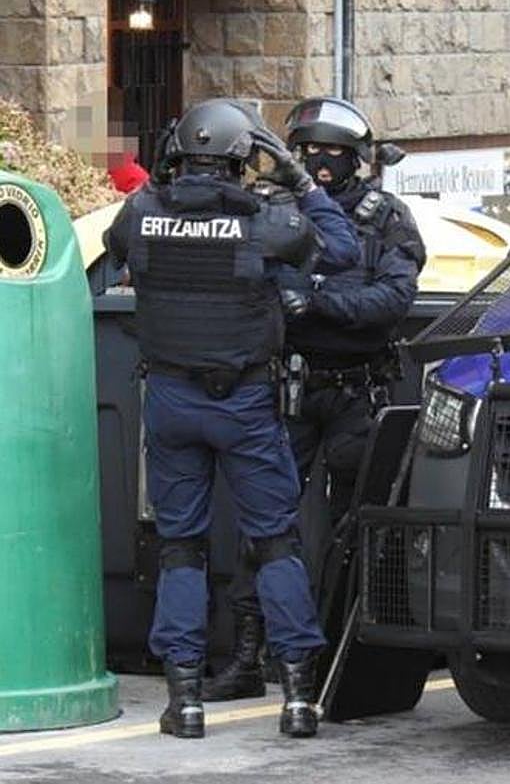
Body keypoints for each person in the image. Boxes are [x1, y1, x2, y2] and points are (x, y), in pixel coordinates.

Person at [103, 98, 360, 740]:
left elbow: (115, 248)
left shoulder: (142, 212)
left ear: (176, 151)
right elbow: (343, 251)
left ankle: (185, 701)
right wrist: (301, 183)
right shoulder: (266, 222)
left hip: (170, 398)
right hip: (244, 402)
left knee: (181, 547)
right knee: (274, 542)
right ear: (246, 158)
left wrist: (163, 182)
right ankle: (298, 698)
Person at [203, 96, 426, 704]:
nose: (319, 164)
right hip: (291, 389)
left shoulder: (387, 218)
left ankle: (344, 658)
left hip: (358, 390)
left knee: (357, 526)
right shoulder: (275, 210)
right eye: (307, 153)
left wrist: (319, 303)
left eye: (332, 152)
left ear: (356, 157)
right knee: (264, 523)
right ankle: (248, 656)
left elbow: (393, 300)